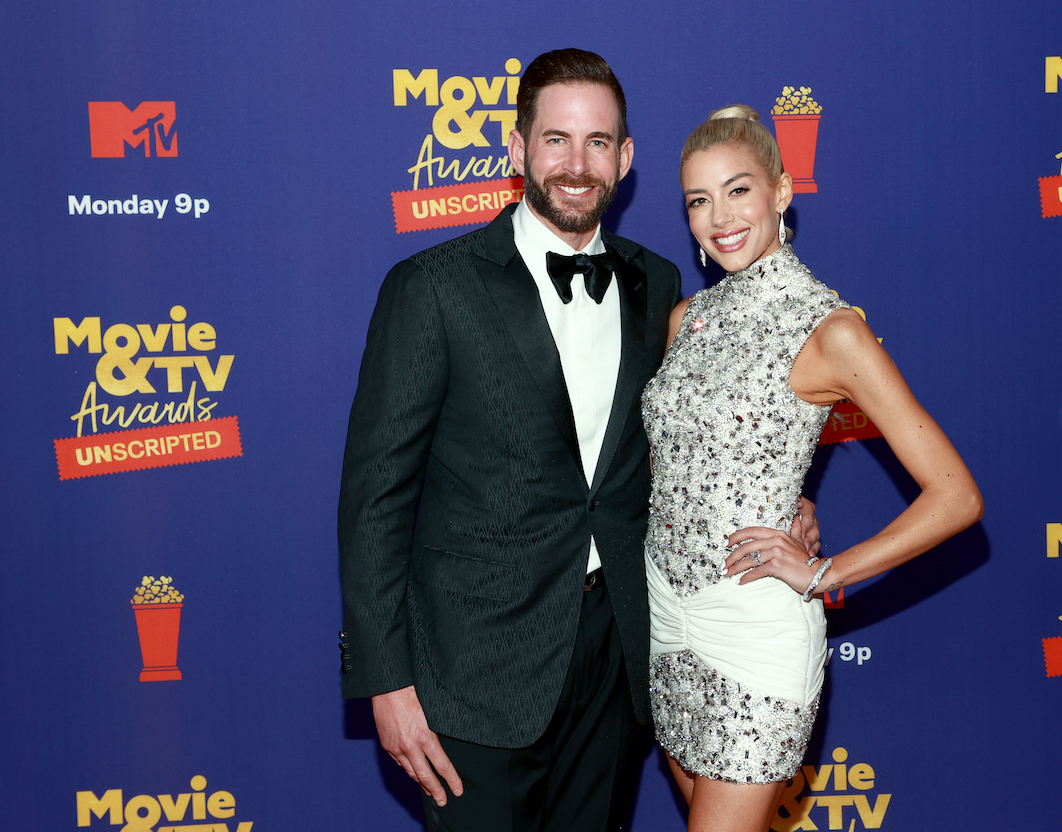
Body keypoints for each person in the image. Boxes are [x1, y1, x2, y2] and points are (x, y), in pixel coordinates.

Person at [338, 53, 820, 832]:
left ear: (624, 160)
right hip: (475, 671)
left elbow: (692, 443)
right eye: (555, 139)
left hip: (617, 659)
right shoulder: (432, 287)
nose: (575, 164)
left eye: (597, 142)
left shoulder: (659, 287)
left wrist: (779, 503)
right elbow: (374, 501)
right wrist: (386, 682)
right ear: (517, 148)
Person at [641, 105, 983, 832]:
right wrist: (787, 498)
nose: (719, 217)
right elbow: (675, 462)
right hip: (665, 616)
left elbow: (955, 496)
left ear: (783, 191)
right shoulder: (686, 319)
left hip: (752, 630)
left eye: (738, 190)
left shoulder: (831, 331)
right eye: (699, 200)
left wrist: (827, 573)